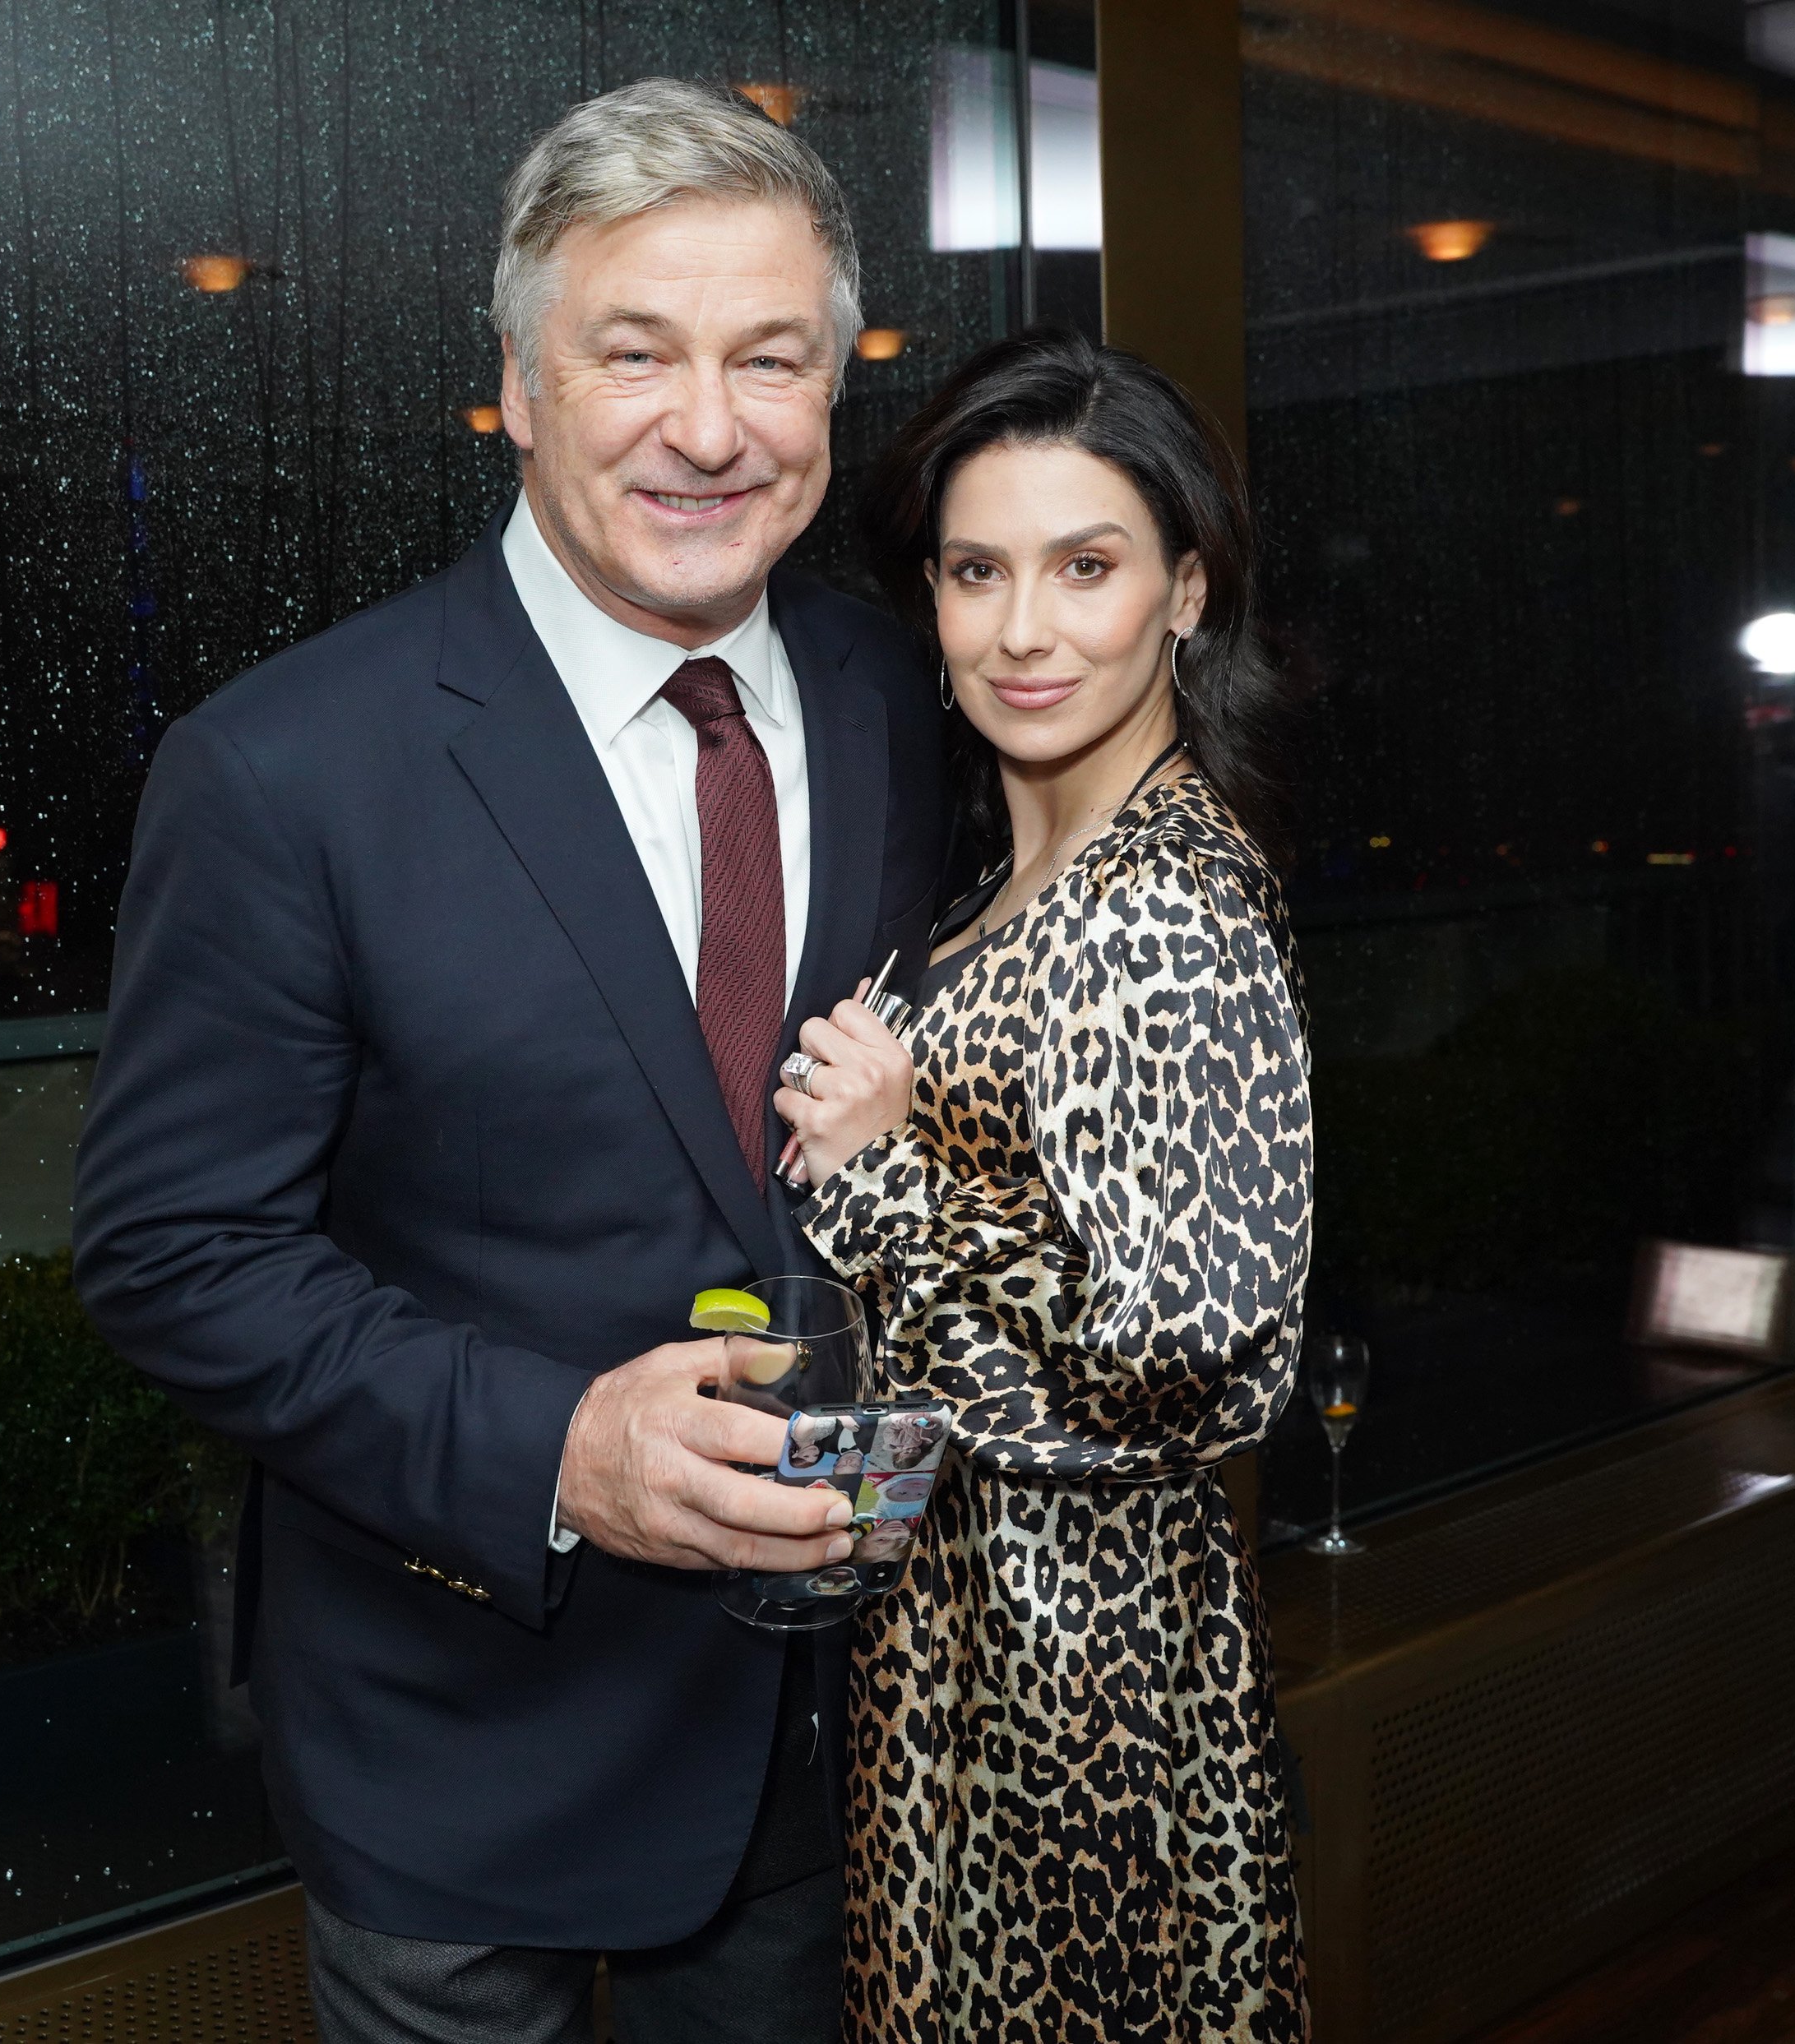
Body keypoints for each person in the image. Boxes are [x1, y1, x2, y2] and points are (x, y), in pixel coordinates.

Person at [71, 78, 946, 2044]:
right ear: (520, 384)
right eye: (634, 352)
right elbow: (175, 1254)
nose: (708, 428)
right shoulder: (285, 765)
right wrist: (552, 1450)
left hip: (818, 1744)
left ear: (833, 388)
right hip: (457, 1741)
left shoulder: (903, 695)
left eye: (770, 360)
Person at [773, 331, 1314, 2042]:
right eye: (975, 570)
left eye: (1087, 567)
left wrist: (876, 1182)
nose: (1024, 630)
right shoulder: (1009, 885)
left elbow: (1178, 1357)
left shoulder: (1161, 908)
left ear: (1184, 590)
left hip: (1083, 1690)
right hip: (958, 1646)